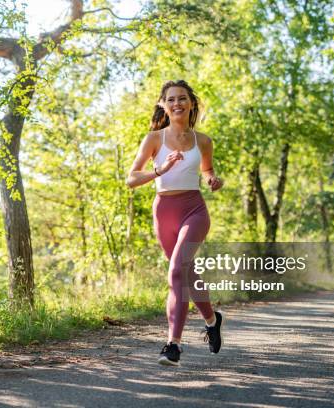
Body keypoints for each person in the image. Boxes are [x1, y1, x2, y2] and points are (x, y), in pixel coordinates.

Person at [126, 80, 224, 366]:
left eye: (182, 98)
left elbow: (207, 170)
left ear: (191, 103)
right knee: (185, 275)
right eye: (171, 99)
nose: (177, 103)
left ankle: (173, 345)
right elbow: (131, 179)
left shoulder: (203, 140)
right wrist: (160, 169)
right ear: (163, 105)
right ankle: (211, 319)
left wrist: (212, 180)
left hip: (194, 210)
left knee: (176, 272)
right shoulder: (154, 139)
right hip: (163, 212)